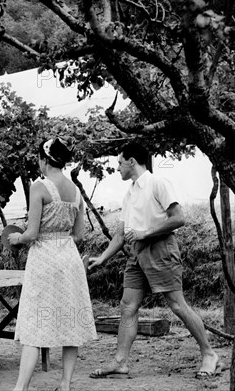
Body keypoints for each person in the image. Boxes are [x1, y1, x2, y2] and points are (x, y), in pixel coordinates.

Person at [88, 142, 222, 379]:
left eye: (120, 162)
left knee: (177, 305)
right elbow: (120, 234)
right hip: (136, 253)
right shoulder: (129, 193)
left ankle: (210, 354)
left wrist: (146, 232)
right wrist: (103, 259)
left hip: (161, 248)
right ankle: (120, 362)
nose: (117, 167)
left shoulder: (157, 183)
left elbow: (178, 218)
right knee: (128, 306)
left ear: (132, 161)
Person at [8, 138, 97, 391]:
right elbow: (79, 235)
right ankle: (65, 384)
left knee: (35, 323)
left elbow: (32, 234)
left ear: (44, 160)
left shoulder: (39, 186)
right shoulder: (76, 191)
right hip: (68, 258)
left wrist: (17, 237)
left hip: (44, 259)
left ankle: (20, 388)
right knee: (70, 320)